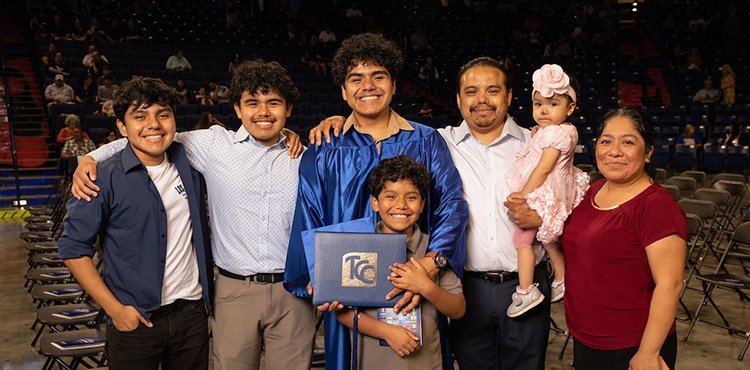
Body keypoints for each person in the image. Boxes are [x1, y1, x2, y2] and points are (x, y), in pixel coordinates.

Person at [309, 56, 552, 370]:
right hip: (472, 283)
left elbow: (568, 204)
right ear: (458, 99)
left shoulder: (539, 146)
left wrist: (542, 218)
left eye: (492, 90)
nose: (481, 100)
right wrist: (336, 120)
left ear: (508, 96)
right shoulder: (441, 140)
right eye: (471, 91)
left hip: (525, 284)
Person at [71, 60, 313, 370]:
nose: (263, 111)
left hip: (292, 289)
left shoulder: (306, 156)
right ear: (238, 109)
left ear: (288, 108)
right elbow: (149, 137)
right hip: (234, 289)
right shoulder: (212, 144)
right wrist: (89, 157)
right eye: (252, 103)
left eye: (273, 103)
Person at [284, 32, 468, 370]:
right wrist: (320, 275)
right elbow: (309, 215)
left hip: (413, 280)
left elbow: (452, 205)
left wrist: (432, 261)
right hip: (348, 288)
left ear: (394, 84)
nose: (367, 86)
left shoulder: (426, 140)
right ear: (343, 90)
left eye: (378, 76)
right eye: (356, 79)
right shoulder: (325, 149)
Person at [58, 76, 214, 370]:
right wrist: (114, 309)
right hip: (135, 319)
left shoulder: (191, 164)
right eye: (139, 116)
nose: (153, 125)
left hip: (191, 315)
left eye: (163, 115)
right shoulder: (102, 178)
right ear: (121, 126)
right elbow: (73, 249)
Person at [560, 108, 687, 370]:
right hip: (588, 337)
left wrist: (648, 353)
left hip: (632, 345)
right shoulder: (593, 190)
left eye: (628, 142)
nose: (614, 151)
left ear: (648, 152)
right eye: (606, 141)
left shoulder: (655, 206)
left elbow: (670, 284)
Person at [334, 156, 465, 369]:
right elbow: (342, 313)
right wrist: (386, 332)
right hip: (372, 363)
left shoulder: (434, 252)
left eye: (411, 197)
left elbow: (458, 309)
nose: (401, 205)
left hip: (426, 363)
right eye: (390, 196)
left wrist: (426, 286)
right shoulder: (357, 247)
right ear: (375, 203)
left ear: (422, 204)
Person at [504, 64, 589, 317]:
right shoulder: (558, 131)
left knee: (521, 240)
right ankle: (562, 278)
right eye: (538, 103)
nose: (543, 110)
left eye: (553, 104)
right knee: (548, 239)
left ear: (570, 108)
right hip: (555, 188)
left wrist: (524, 194)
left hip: (544, 190)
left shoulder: (556, 135)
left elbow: (542, 169)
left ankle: (526, 289)